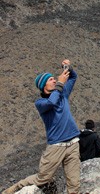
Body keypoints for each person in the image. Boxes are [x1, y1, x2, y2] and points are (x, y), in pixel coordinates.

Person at [3, 59, 81, 194]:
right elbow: (52, 102)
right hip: (56, 146)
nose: (54, 80)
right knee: (43, 178)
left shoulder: (62, 93)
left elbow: (73, 77)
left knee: (74, 183)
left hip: (73, 143)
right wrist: (61, 83)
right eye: (51, 79)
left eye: (54, 78)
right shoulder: (41, 103)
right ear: (44, 85)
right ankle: (13, 189)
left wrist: (68, 68)